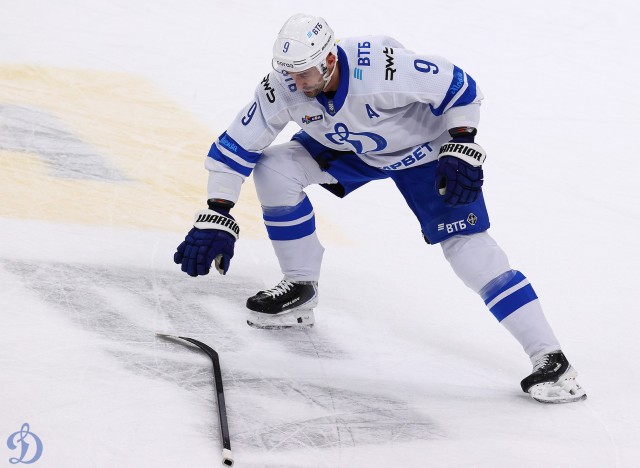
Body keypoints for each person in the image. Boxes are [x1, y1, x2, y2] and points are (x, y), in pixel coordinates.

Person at [174, 14, 586, 403]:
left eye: (304, 73)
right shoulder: (284, 85)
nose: (296, 83)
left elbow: (460, 87)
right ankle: (300, 287)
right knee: (275, 169)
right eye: (289, 73)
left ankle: (551, 360)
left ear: (329, 61)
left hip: (425, 153)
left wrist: (462, 141)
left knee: (470, 253)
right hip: (355, 149)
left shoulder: (381, 69)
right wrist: (218, 211)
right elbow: (234, 148)